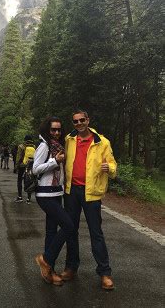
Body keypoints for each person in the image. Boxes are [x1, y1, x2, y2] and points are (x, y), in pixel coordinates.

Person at [63, 109, 117, 290]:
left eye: (81, 120)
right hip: (71, 192)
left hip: (91, 193)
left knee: (96, 232)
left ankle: (105, 273)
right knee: (71, 230)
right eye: (75, 122)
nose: (79, 124)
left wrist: (108, 167)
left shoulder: (102, 142)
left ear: (88, 120)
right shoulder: (69, 140)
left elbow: (113, 166)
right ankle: (71, 267)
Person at [33, 116, 74, 286]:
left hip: (57, 194)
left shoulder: (59, 146)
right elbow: (36, 169)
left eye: (58, 130)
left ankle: (49, 272)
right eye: (53, 130)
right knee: (69, 226)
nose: (56, 133)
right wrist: (54, 161)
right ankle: (46, 260)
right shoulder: (44, 146)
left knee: (51, 231)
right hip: (45, 195)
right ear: (47, 130)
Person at [14, 135, 36, 204]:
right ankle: (28, 198)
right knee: (29, 181)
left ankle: (20, 197)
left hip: (22, 166)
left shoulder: (21, 146)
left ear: (25, 140)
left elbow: (18, 157)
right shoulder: (34, 147)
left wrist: (16, 166)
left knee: (19, 180)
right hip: (30, 166)